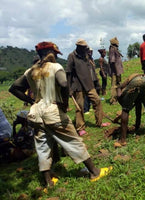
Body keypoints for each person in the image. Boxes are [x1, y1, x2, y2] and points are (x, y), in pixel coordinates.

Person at [9, 42, 111, 186]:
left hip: (36, 113)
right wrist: (64, 103)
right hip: (53, 110)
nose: (56, 56)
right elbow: (64, 84)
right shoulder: (55, 67)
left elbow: (14, 88)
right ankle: (94, 172)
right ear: (51, 52)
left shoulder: (30, 71)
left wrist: (32, 100)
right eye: (56, 53)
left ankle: (48, 182)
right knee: (73, 140)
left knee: (42, 147)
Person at [66, 39, 103, 136]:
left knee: (97, 101)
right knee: (80, 107)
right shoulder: (72, 56)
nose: (85, 50)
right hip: (78, 85)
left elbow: (90, 70)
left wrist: (96, 84)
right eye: (84, 48)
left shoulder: (85, 56)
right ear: (78, 47)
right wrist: (69, 88)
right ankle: (80, 127)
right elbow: (68, 73)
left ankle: (99, 122)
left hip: (89, 84)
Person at [113, 74, 145, 145]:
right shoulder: (135, 85)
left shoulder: (122, 86)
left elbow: (119, 94)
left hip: (136, 81)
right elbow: (138, 105)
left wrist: (124, 105)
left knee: (125, 110)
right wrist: (137, 125)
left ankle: (122, 140)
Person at [83, 47, 101, 113]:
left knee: (93, 93)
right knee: (86, 94)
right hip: (87, 79)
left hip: (93, 79)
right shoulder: (85, 59)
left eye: (91, 51)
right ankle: (85, 109)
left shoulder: (91, 59)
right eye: (89, 51)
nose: (90, 53)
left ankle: (90, 106)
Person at [108, 37, 124, 105]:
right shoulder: (112, 49)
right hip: (115, 72)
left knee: (118, 84)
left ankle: (118, 97)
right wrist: (117, 72)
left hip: (117, 71)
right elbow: (113, 61)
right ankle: (113, 100)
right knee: (114, 85)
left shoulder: (115, 49)